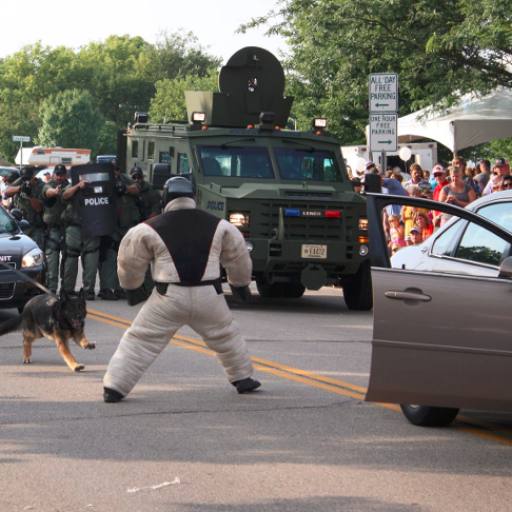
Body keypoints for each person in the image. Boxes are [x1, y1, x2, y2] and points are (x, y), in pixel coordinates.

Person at [102, 176, 260, 402]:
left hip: (169, 296)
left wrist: (132, 287)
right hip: (209, 295)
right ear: (193, 196)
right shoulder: (220, 225)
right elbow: (238, 257)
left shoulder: (147, 228)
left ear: (165, 197)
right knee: (227, 336)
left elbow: (129, 261)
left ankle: (115, 387)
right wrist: (240, 284)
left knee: (140, 340)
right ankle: (243, 378)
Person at [97, 162, 141, 300]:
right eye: (111, 170)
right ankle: (106, 288)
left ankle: (119, 288)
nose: (114, 173)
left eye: (116, 170)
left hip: (124, 227)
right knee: (108, 257)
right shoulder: (101, 180)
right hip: (108, 226)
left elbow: (137, 188)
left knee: (123, 259)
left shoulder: (124, 179)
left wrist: (125, 188)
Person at [61, 175, 100, 300]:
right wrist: (78, 186)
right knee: (71, 257)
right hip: (74, 227)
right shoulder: (74, 184)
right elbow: (65, 195)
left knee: (91, 258)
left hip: (92, 226)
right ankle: (68, 289)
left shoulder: (98, 184)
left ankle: (89, 290)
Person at [41, 164, 69, 294]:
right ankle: (51, 288)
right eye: (57, 174)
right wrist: (55, 192)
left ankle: (65, 288)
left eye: (61, 174)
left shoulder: (69, 186)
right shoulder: (49, 184)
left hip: (66, 228)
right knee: (52, 260)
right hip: (52, 229)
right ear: (53, 174)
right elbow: (47, 192)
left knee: (67, 260)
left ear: (65, 175)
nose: (59, 177)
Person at [4, 166, 45, 248]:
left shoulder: (40, 185)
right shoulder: (20, 182)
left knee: (35, 252)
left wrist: (29, 196)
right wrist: (20, 188)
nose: (27, 181)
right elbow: (7, 192)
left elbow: (39, 208)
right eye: (25, 178)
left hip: (35, 226)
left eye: (29, 178)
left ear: (33, 176)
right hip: (20, 226)